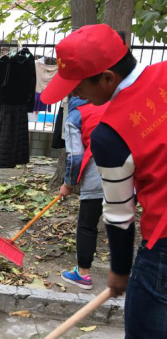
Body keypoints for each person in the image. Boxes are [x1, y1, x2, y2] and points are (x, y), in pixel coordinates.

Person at [42, 24, 167, 339]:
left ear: (108, 77)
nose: (76, 95)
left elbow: (120, 215)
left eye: (79, 86)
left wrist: (119, 272)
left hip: (164, 247)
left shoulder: (110, 133)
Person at [60, 96, 109, 290]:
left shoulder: (76, 116)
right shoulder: (116, 104)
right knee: (122, 225)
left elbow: (75, 156)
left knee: (87, 225)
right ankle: (123, 275)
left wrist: (69, 184)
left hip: (97, 175)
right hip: (129, 177)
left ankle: (83, 274)